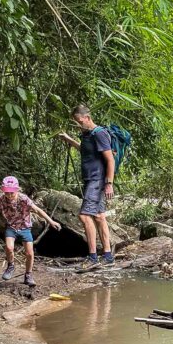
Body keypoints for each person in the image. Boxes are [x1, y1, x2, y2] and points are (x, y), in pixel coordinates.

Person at [56, 104, 115, 270]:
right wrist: (70, 140)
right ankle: (108, 256)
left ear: (87, 118)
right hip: (91, 179)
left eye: (79, 121)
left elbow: (110, 160)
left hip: (97, 180)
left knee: (84, 216)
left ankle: (93, 257)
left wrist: (109, 183)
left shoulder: (100, 133)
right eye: (75, 121)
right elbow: (86, 151)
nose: (77, 124)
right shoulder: (87, 135)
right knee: (99, 216)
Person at [0, 176, 60, 287]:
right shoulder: (1, 199)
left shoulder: (23, 199)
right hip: (11, 227)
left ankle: (28, 275)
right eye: (7, 193)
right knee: (9, 247)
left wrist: (51, 221)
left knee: (30, 254)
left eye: (12, 193)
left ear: (17, 190)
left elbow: (37, 210)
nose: (9, 195)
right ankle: (11, 266)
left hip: (25, 227)